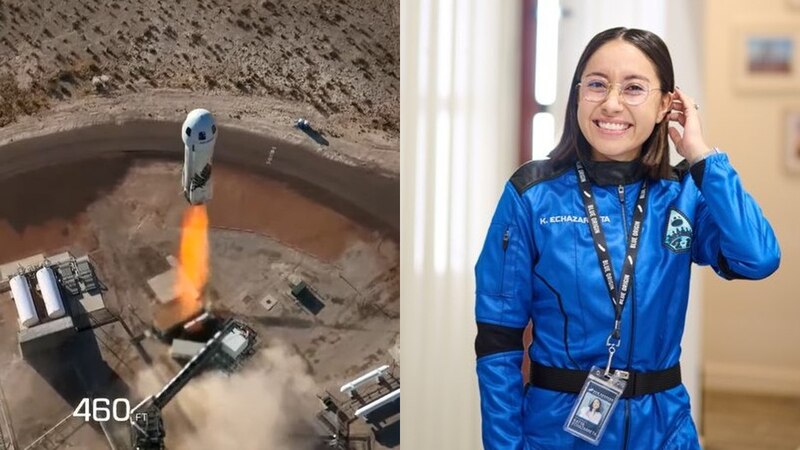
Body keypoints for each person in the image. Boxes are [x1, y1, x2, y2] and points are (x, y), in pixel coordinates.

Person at [474, 27, 780, 449]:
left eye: (634, 88)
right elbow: (498, 339)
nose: (611, 103)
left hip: (665, 428)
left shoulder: (683, 196)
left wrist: (702, 156)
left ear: (666, 106)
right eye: (597, 84)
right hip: (557, 431)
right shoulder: (532, 195)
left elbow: (758, 258)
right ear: (578, 95)